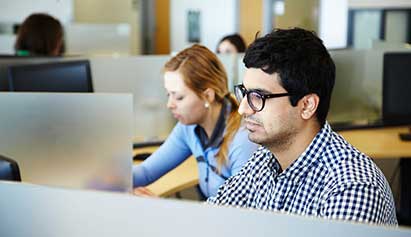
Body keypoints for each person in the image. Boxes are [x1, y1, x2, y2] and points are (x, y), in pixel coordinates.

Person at [207, 28, 398, 225]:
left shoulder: (352, 190)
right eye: (244, 93)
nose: (243, 109)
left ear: (307, 106)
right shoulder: (266, 158)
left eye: (258, 97)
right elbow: (212, 218)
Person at [133, 44, 258, 199]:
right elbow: (146, 171)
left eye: (178, 97)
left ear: (207, 96)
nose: (169, 105)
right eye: (168, 95)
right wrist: (107, 179)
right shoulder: (188, 128)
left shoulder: (243, 140)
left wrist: (163, 208)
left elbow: (240, 213)